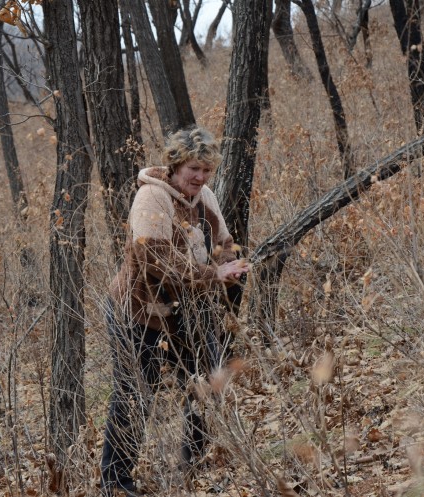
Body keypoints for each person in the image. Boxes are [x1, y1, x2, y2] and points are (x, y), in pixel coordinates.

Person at [100, 125, 250, 496]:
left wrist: (229, 266)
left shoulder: (206, 198)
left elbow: (224, 243)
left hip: (189, 311)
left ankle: (191, 463)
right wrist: (214, 274)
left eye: (206, 169)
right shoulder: (151, 198)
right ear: (175, 165)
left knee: (207, 380)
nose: (199, 177)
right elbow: (154, 258)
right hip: (139, 311)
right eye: (192, 169)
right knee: (136, 396)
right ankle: (115, 483)